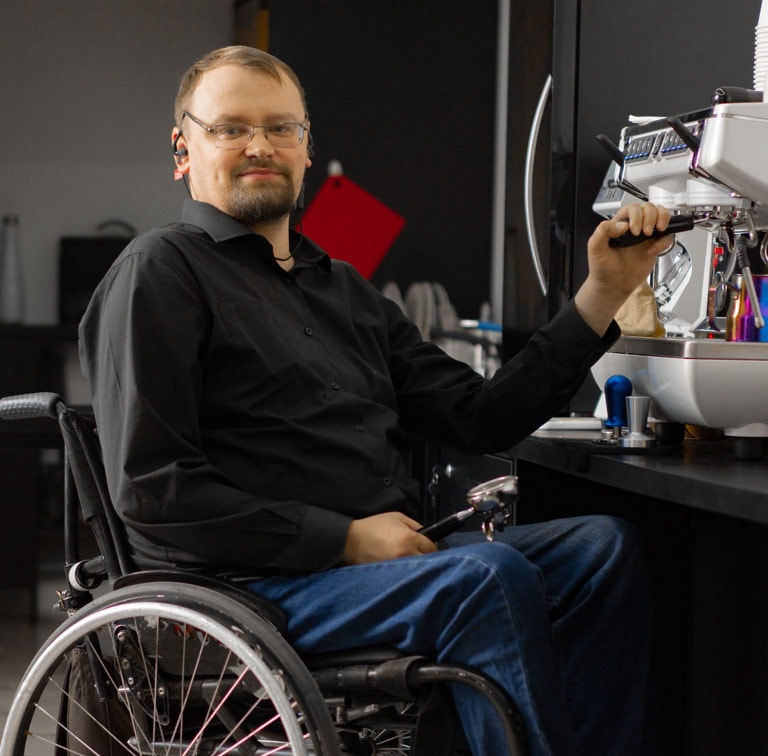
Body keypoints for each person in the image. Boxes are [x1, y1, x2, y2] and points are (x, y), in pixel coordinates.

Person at [79, 45, 675, 755]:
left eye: (280, 128)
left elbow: (482, 416)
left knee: (601, 550)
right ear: (183, 150)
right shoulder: (160, 270)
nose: (260, 146)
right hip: (243, 589)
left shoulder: (345, 291)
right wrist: (347, 539)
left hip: (373, 572)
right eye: (230, 129)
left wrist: (603, 292)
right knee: (485, 577)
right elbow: (153, 490)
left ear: (307, 148)